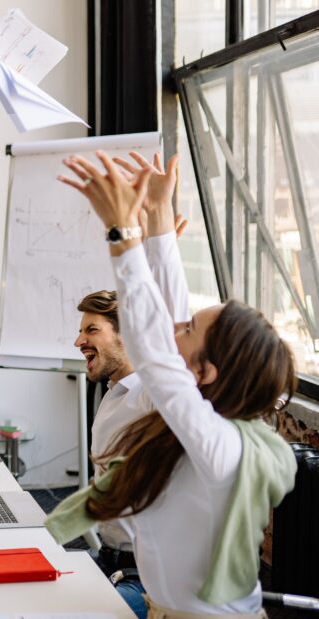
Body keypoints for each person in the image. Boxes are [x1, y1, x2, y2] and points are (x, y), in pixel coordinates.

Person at [48, 150, 297, 617]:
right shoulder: (204, 421)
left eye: (185, 332)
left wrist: (124, 235)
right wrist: (159, 218)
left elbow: (156, 353)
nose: (172, 327)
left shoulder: (220, 445)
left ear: (205, 375)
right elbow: (173, 316)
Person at [73, 154, 192, 619]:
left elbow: (170, 331)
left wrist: (153, 232)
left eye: (92, 331)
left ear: (128, 335)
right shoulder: (114, 393)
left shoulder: (153, 397)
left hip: (142, 580)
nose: (79, 340)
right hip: (110, 561)